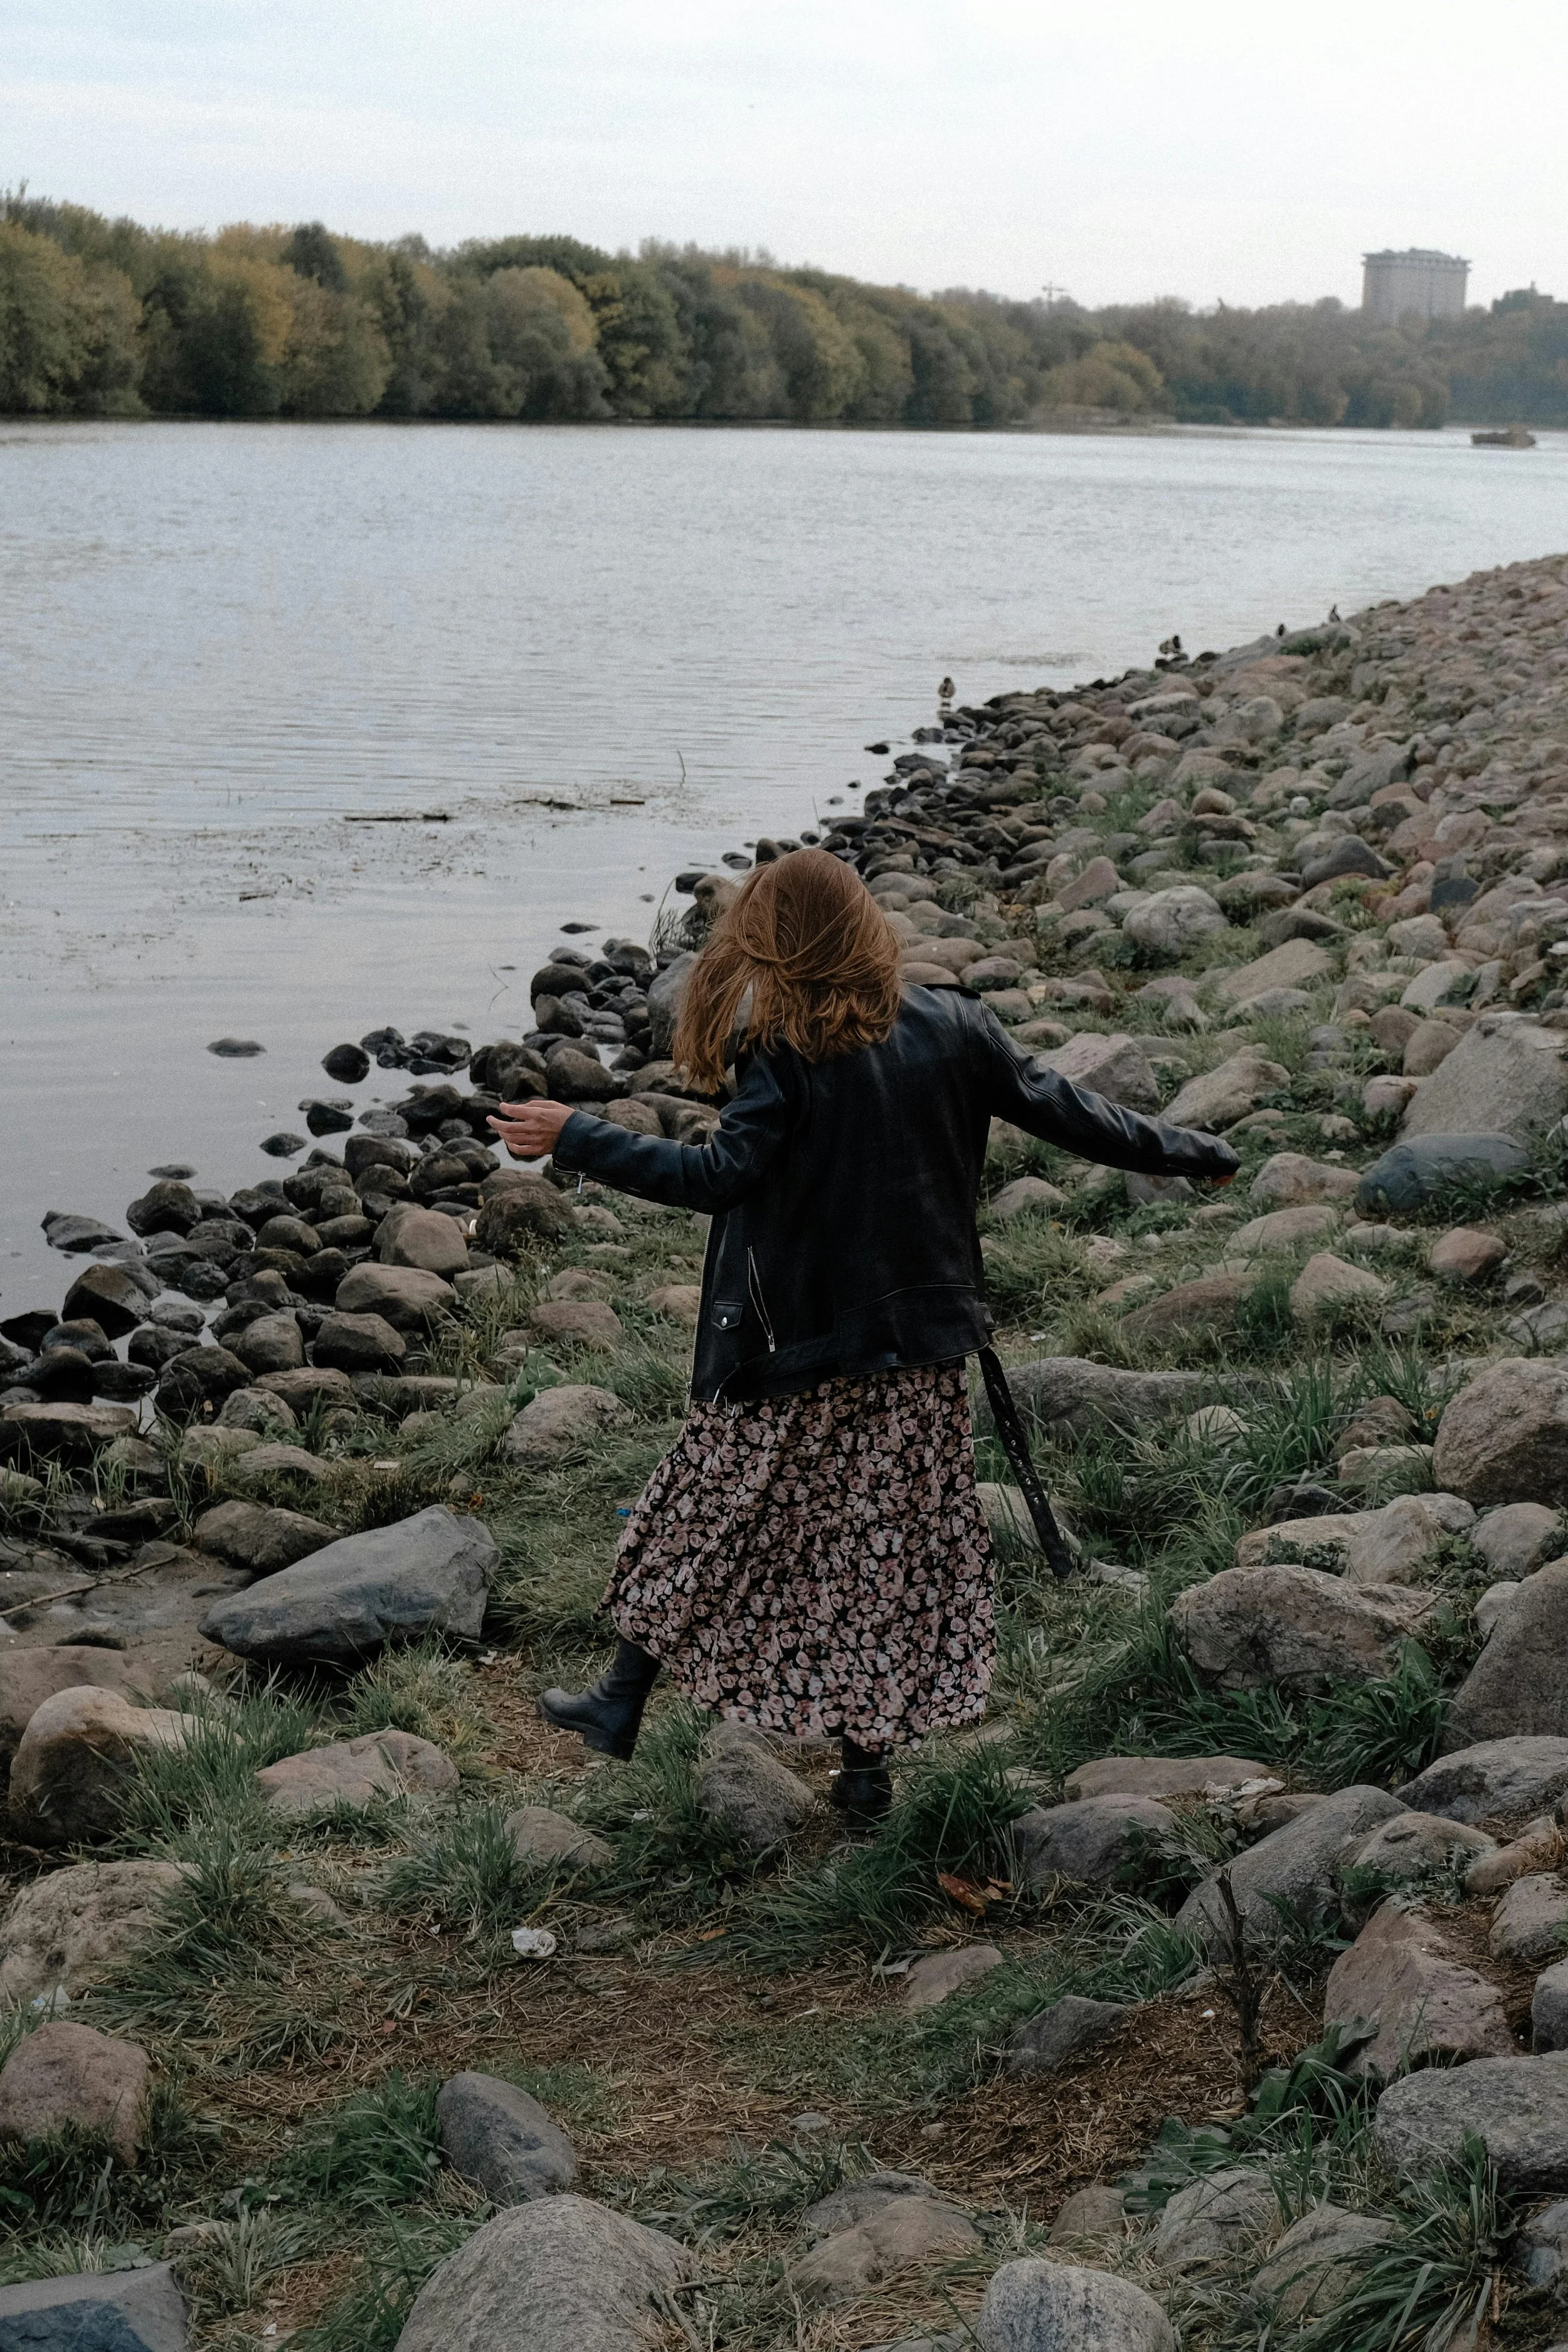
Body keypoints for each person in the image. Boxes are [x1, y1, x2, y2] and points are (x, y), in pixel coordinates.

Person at [489, 850, 1237, 1821]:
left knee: (700, 1513)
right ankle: (862, 1775)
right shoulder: (954, 1026)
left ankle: (620, 1700)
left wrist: (577, 1134)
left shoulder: (784, 1054)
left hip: (794, 1353)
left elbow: (714, 1179)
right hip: (919, 1350)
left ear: (778, 945)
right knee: (879, 1555)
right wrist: (1192, 1148)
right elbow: (1073, 1113)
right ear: (864, 930)